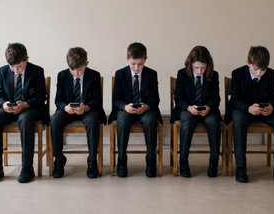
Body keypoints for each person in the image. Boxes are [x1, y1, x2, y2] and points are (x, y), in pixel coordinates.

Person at [0, 43, 49, 183]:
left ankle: (27, 168)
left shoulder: (37, 71)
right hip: (9, 107)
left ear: (26, 59)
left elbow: (41, 97)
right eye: (12, 67)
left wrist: (25, 104)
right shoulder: (2, 71)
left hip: (30, 108)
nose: (16, 71)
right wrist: (4, 104)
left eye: (19, 67)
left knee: (25, 120)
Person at [229, 46, 274, 183]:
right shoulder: (237, 73)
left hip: (263, 110)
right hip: (243, 110)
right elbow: (234, 100)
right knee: (238, 122)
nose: (259, 73)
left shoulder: (272, 74)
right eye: (255, 69)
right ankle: (241, 168)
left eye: (263, 70)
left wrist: (272, 107)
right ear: (248, 62)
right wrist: (248, 108)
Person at [50, 47, 106, 179]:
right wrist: (65, 107)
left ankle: (92, 160)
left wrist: (85, 107)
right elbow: (58, 100)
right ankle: (58, 159)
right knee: (55, 121)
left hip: (88, 109)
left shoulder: (94, 75)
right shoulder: (62, 75)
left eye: (80, 69)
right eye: (72, 70)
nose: (76, 73)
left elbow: (97, 100)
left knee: (92, 121)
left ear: (87, 64)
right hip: (68, 109)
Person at [108, 42, 161, 178]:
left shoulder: (152, 74)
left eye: (140, 64)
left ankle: (150, 160)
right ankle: (122, 160)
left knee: (150, 120)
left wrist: (146, 106)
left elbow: (155, 98)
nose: (137, 67)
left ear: (145, 59)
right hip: (126, 109)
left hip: (146, 110)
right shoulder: (120, 74)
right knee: (123, 121)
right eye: (133, 64)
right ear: (127, 59)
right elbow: (116, 99)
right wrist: (125, 107)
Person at [171, 46, 221, 178]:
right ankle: (183, 161)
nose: (199, 71)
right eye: (196, 67)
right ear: (190, 64)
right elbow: (178, 97)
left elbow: (216, 98)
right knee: (187, 121)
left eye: (203, 68)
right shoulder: (182, 74)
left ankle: (214, 161)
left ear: (208, 65)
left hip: (207, 111)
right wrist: (188, 107)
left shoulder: (213, 75)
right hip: (187, 109)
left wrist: (209, 107)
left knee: (214, 122)